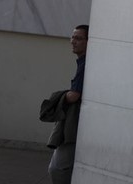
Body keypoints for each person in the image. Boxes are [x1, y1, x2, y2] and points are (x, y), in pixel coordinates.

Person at [47, 24, 89, 184]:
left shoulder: (86, 64)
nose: (73, 41)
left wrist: (58, 98)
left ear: (88, 42)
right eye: (72, 37)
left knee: (57, 168)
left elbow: (74, 96)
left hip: (75, 126)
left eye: (78, 38)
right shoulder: (83, 62)